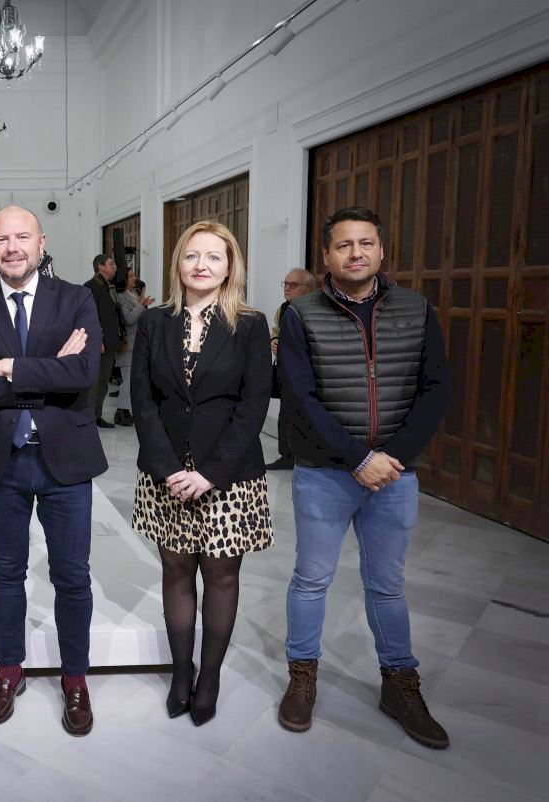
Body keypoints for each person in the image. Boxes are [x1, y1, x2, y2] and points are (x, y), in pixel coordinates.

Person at [277, 206, 450, 749]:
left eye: (366, 243)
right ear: (327, 256)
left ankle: (400, 684)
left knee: (387, 585)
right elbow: (300, 398)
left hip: (394, 475)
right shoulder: (301, 313)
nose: (356, 253)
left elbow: (435, 389)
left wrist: (391, 456)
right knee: (312, 579)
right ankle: (302, 676)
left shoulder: (416, 309)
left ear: (381, 250)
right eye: (344, 245)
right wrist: (357, 457)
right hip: (324, 473)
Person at [0, 205, 106, 736]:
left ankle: (75, 678)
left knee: (73, 576)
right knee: (5, 571)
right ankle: (9, 670)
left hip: (67, 459)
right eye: (1, 240)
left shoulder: (76, 298)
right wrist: (50, 371)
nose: (12, 248)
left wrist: (8, 367)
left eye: (22, 237)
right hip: (4, 459)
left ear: (42, 242)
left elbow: (84, 373)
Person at [130, 221, 273, 726]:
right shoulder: (155, 322)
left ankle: (209, 677)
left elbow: (254, 406)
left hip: (228, 476)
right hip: (167, 474)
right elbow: (143, 400)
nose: (202, 265)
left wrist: (209, 473)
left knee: (221, 575)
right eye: (192, 255)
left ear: (230, 266)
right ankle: (181, 672)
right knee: (175, 572)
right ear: (178, 263)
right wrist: (170, 468)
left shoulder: (250, 324)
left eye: (214, 256)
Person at [266, 269, 317, 469]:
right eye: (285, 284)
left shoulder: (317, 310)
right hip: (286, 372)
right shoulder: (283, 309)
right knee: (285, 415)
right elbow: (276, 331)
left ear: (309, 289)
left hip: (311, 374)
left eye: (293, 285)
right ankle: (286, 457)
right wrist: (274, 340)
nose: (287, 288)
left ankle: (309, 458)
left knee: (308, 415)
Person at [84, 254, 125, 428]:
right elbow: (89, 317)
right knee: (94, 382)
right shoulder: (90, 287)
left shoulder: (110, 287)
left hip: (110, 341)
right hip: (98, 343)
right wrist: (97, 339)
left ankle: (96, 415)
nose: (114, 266)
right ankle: (87, 417)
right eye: (111, 264)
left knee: (103, 382)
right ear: (100, 267)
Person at [113, 273, 152, 426]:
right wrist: (141, 304)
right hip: (127, 344)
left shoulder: (133, 294)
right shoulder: (120, 296)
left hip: (137, 344)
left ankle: (126, 411)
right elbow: (128, 319)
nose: (135, 279)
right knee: (128, 381)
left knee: (132, 381)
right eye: (130, 276)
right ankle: (121, 412)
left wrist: (144, 304)